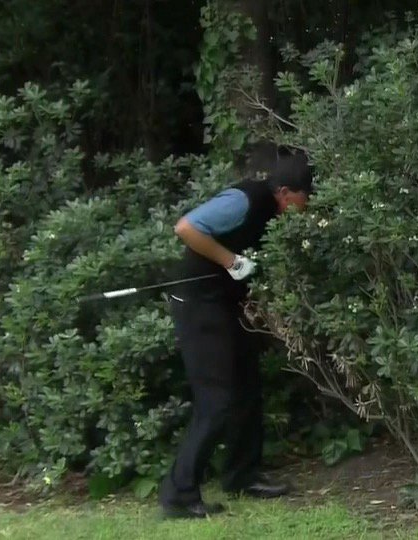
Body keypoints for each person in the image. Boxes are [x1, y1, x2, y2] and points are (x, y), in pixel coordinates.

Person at [158, 148, 313, 519]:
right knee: (216, 399)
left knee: (247, 385)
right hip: (198, 305)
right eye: (305, 199)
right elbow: (186, 228)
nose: (307, 208)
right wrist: (231, 261)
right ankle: (179, 495)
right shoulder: (244, 200)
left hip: (225, 305)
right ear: (286, 193)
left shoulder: (271, 213)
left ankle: (242, 475)